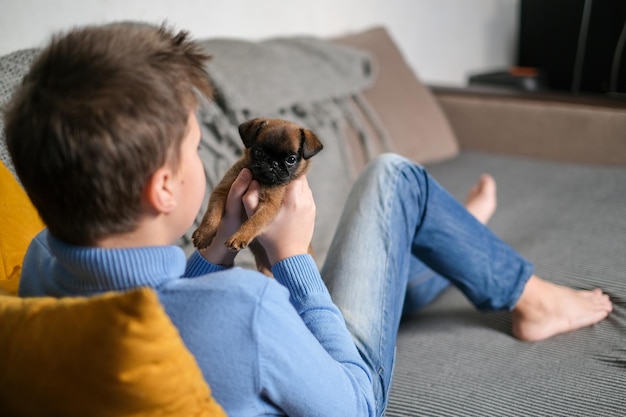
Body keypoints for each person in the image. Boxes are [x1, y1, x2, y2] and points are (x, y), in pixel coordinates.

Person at [4, 24, 612, 417]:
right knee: (394, 178)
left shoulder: (39, 262)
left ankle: (448, 241)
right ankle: (520, 291)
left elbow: (149, 296)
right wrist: (292, 256)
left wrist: (215, 250)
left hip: (230, 312)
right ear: (162, 187)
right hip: (343, 388)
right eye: (193, 147)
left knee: (389, 237)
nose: (202, 159)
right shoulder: (245, 308)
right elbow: (350, 405)